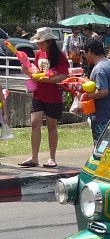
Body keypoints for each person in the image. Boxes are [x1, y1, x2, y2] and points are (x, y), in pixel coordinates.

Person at [18, 27, 68, 168]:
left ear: (49, 42)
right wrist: (27, 71)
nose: (39, 45)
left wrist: (44, 79)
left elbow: (63, 76)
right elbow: (35, 73)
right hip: (39, 94)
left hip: (53, 96)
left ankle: (52, 158)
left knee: (51, 125)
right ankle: (34, 157)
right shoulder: (39, 54)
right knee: (35, 123)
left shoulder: (60, 55)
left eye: (41, 42)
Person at [84, 39, 110, 144]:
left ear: (90, 51)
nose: (85, 57)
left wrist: (87, 96)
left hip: (102, 116)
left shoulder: (99, 69)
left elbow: (103, 91)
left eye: (85, 53)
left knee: (101, 148)